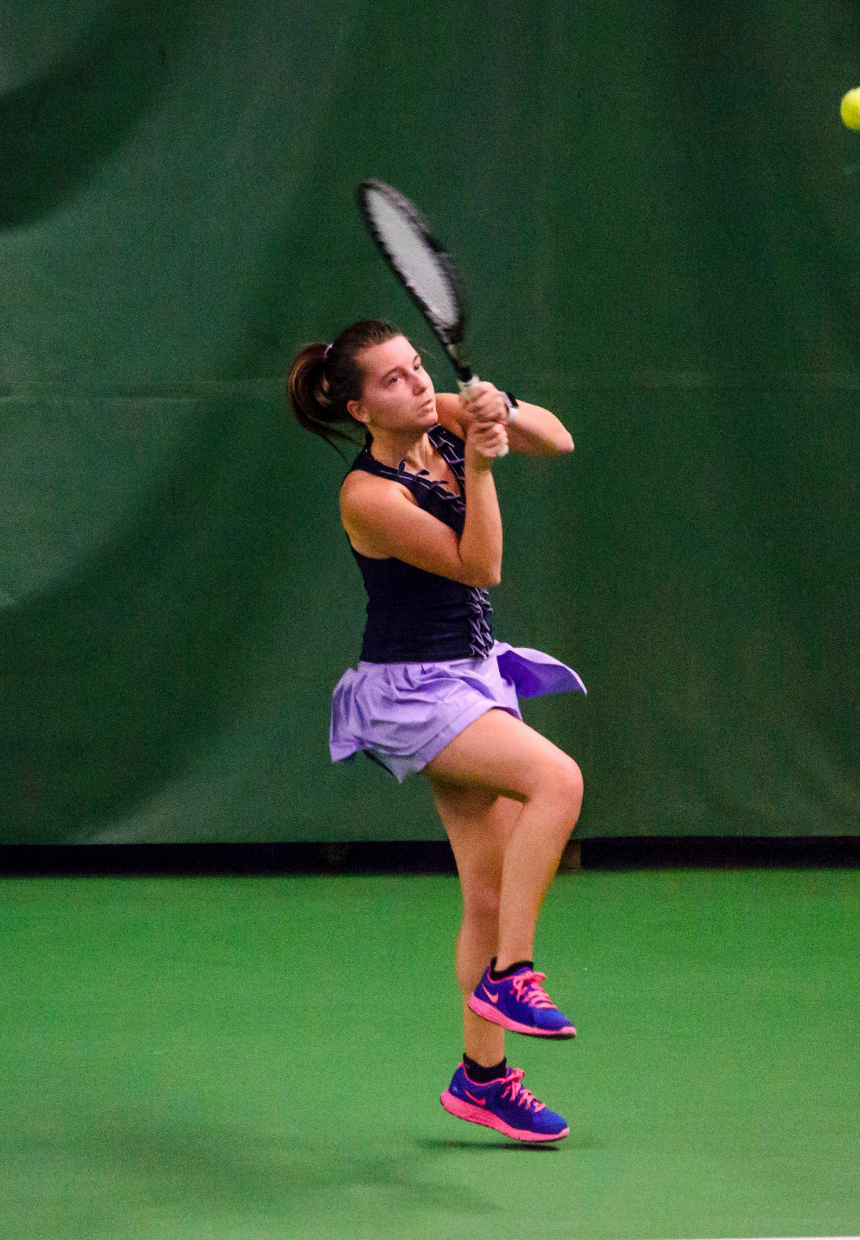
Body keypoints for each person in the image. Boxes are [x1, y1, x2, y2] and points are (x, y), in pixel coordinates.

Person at [287, 320, 585, 1143]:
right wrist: (484, 465)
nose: (418, 384)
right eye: (392, 380)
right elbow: (478, 564)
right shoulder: (367, 495)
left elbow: (556, 439)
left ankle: (482, 1079)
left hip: (474, 673)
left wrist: (501, 410)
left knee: (485, 894)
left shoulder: (442, 415)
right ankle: (513, 977)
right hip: (414, 693)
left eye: (418, 367)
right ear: (358, 405)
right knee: (557, 780)